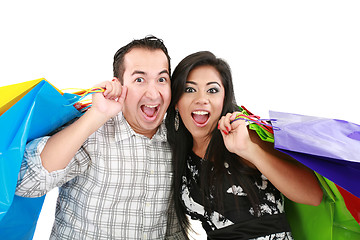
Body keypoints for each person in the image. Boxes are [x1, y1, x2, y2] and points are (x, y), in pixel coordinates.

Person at [16, 36, 185, 239]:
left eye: (161, 79)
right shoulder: (93, 130)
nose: (153, 92)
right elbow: (25, 182)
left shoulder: (176, 141)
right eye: (139, 79)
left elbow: (174, 230)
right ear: (120, 86)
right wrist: (97, 115)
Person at [165, 51, 323, 239]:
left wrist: (249, 149)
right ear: (175, 102)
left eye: (212, 90)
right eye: (189, 89)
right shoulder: (179, 154)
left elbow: (313, 196)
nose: (201, 98)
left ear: (224, 99)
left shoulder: (245, 136)